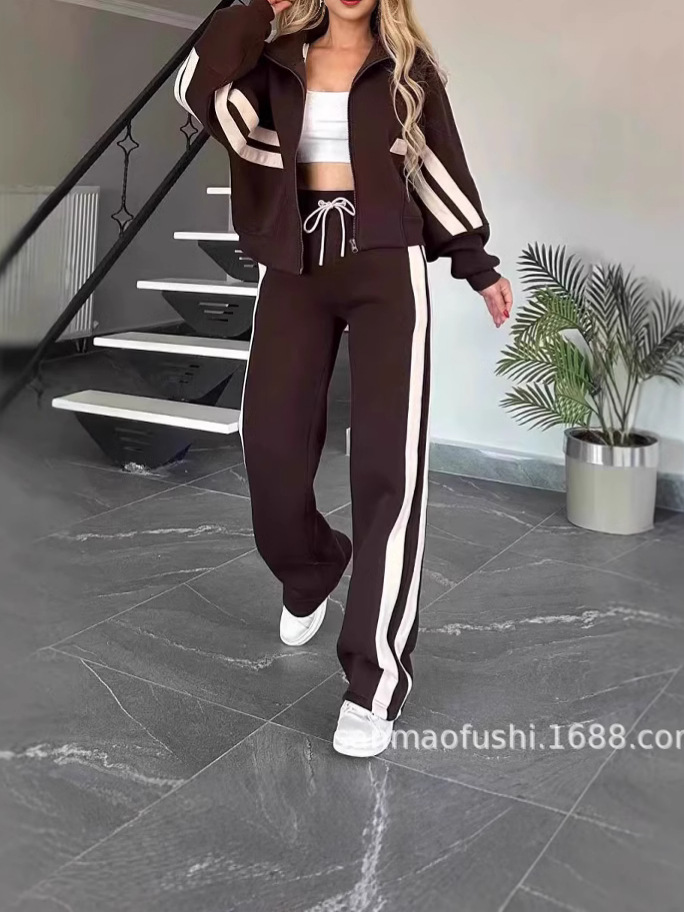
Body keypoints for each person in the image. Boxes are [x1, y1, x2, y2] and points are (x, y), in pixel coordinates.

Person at [175, 0, 512, 757]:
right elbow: (198, 88)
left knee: (388, 469)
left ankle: (374, 679)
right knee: (269, 445)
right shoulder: (276, 61)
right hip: (295, 264)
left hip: (386, 266)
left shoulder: (407, 70)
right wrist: (259, 9)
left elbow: (437, 166)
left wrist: (477, 264)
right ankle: (310, 566)